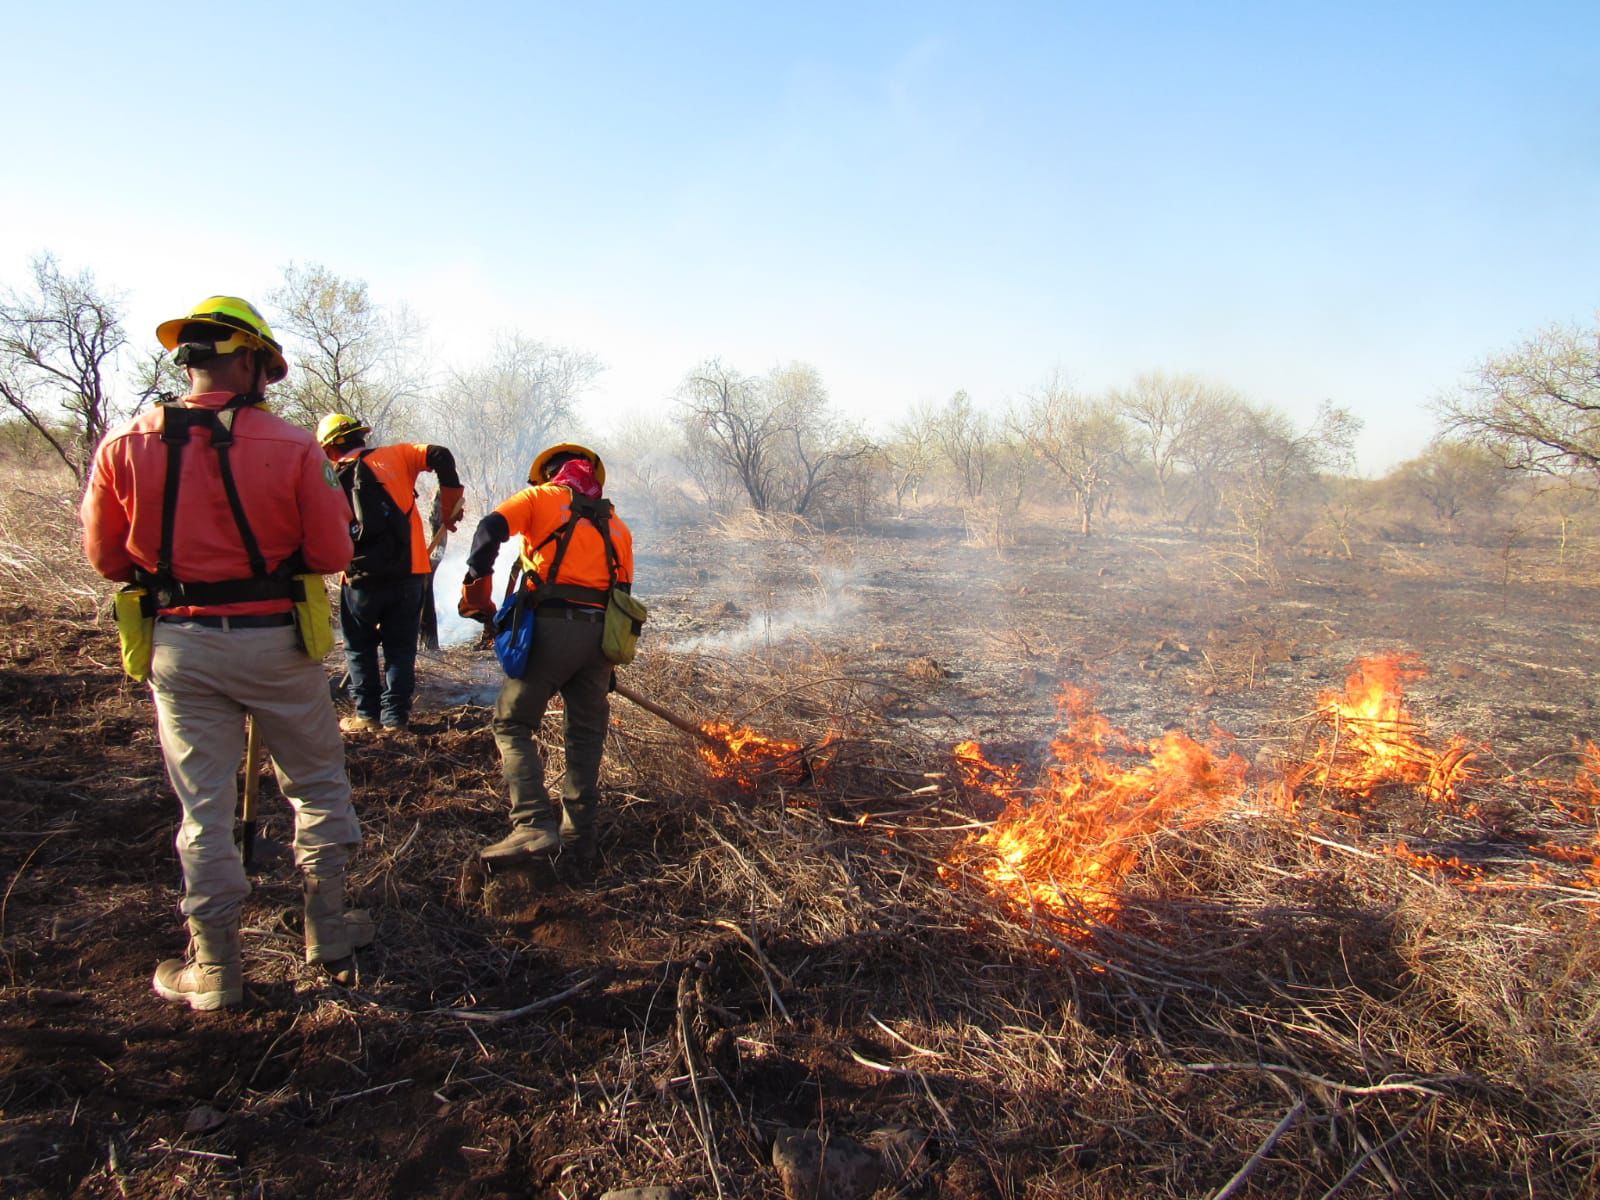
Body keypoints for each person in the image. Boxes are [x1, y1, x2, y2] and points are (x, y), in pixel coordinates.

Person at [81, 296, 375, 1011]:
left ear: (190, 360)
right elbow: (336, 550)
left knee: (203, 808)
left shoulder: (124, 444)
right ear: (247, 362)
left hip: (180, 648)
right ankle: (328, 933)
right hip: (277, 642)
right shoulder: (296, 446)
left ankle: (214, 968)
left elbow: (107, 560)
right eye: (265, 368)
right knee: (316, 786)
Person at [458, 443, 633, 872]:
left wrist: (476, 583)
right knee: (586, 738)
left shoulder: (539, 499)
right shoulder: (618, 526)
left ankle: (533, 822)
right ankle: (580, 842)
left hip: (551, 628)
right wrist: (604, 667)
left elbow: (489, 528)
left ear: (550, 474)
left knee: (512, 722)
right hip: (601, 641)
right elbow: (623, 600)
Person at [314, 414, 464, 733]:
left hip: (357, 579)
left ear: (328, 449)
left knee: (359, 647)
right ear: (360, 437)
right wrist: (450, 505)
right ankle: (395, 719)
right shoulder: (396, 456)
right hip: (408, 575)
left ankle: (367, 716)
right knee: (400, 649)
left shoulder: (326, 476)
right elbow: (440, 454)